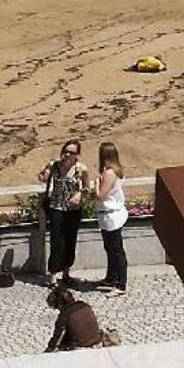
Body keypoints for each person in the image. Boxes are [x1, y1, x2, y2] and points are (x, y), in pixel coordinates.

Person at [40, 139, 89, 282]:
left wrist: (80, 194)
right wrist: (45, 174)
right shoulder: (54, 165)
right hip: (56, 207)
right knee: (57, 241)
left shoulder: (81, 169)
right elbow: (42, 177)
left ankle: (67, 272)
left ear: (77, 154)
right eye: (66, 151)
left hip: (73, 209)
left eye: (71, 152)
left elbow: (86, 187)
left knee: (70, 240)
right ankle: (53, 274)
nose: (68, 154)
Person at [93, 142, 128, 293]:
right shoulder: (115, 171)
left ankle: (120, 283)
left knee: (116, 250)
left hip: (111, 215)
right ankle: (111, 277)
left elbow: (101, 195)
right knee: (110, 248)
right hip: (109, 215)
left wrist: (95, 184)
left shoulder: (109, 173)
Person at [46, 283, 106, 351]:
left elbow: (57, 337)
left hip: (82, 347)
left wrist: (48, 350)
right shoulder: (84, 305)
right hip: (98, 341)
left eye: (56, 307)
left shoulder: (64, 315)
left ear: (60, 304)